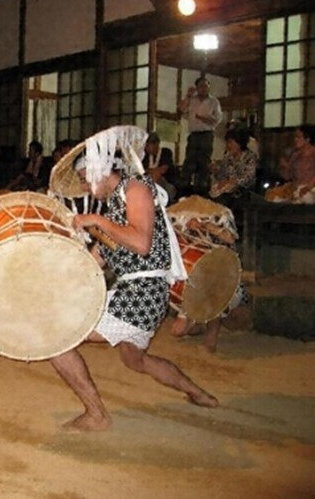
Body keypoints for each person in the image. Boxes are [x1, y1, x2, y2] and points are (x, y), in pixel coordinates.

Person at [50, 127, 217, 431]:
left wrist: (96, 220)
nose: (86, 187)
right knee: (135, 361)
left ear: (101, 170)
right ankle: (198, 393)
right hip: (133, 293)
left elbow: (141, 242)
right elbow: (95, 261)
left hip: (143, 294)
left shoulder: (136, 189)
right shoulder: (113, 208)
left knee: (57, 337)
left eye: (87, 179)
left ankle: (96, 415)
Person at [169, 197, 250, 353]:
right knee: (177, 332)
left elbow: (231, 238)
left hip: (224, 280)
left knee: (213, 296)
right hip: (196, 282)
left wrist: (205, 225)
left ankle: (211, 340)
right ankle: (198, 323)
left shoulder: (218, 220)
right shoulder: (181, 226)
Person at [178, 77, 223, 195]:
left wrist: (204, 118)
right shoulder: (192, 100)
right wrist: (188, 95)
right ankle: (185, 189)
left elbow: (217, 119)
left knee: (204, 162)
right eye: (201, 86)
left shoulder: (214, 102)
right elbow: (181, 109)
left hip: (207, 134)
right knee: (190, 161)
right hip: (194, 134)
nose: (204, 88)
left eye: (206, 86)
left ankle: (203, 188)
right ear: (197, 88)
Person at [209, 127, 258, 205]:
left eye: (231, 142)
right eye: (227, 142)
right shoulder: (228, 156)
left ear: (239, 142)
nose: (228, 145)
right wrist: (215, 170)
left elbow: (249, 178)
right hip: (227, 192)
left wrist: (234, 182)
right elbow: (221, 176)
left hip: (243, 192)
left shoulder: (249, 157)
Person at [142, 132, 176, 201]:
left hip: (166, 182)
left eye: (148, 145)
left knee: (156, 175)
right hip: (149, 182)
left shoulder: (166, 152)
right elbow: (142, 170)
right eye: (145, 146)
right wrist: (154, 171)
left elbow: (163, 170)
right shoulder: (145, 155)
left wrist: (150, 171)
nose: (146, 148)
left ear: (157, 144)